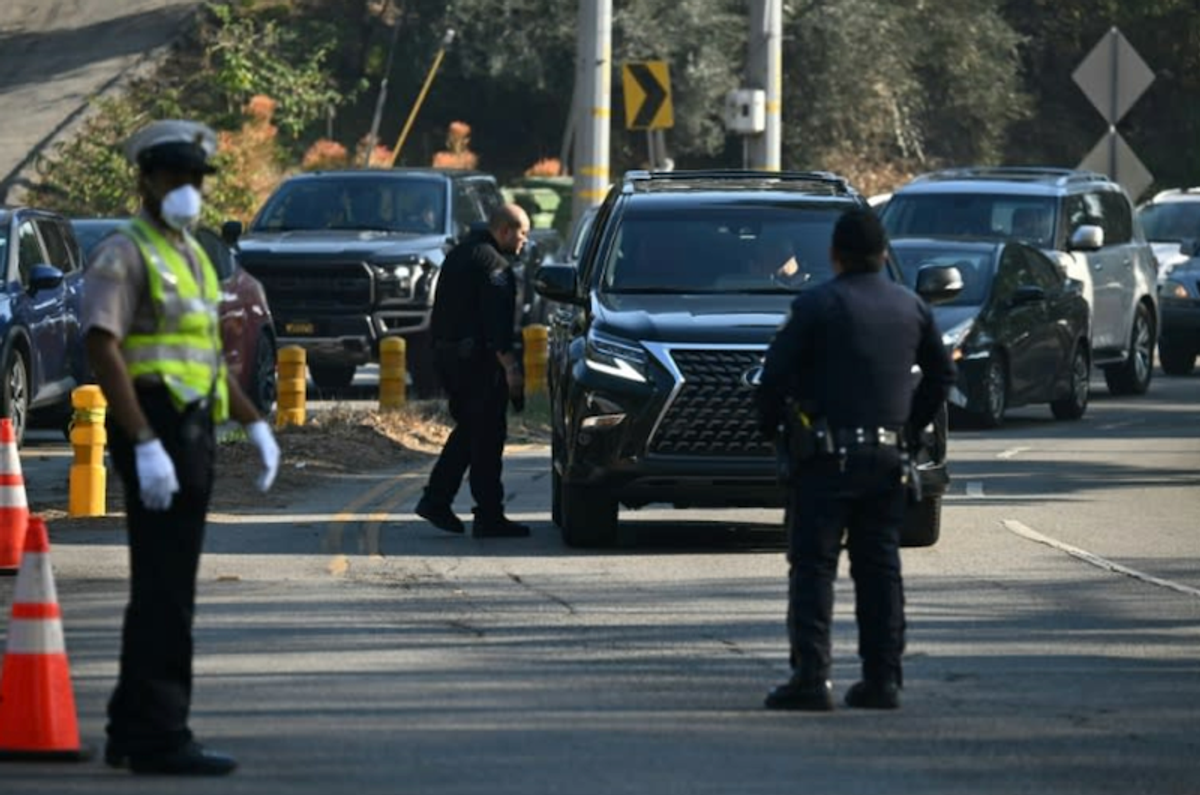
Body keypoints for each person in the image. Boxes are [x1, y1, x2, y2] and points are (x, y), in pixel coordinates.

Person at [83, 119, 281, 774]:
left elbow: (207, 358)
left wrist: (253, 421)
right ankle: (160, 735)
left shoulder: (194, 254)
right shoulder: (125, 250)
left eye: (196, 179)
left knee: (167, 585)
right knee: (165, 588)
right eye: (176, 178)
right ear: (146, 180)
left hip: (192, 429)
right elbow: (102, 345)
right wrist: (141, 441)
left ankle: (128, 724)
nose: (189, 190)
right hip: (154, 427)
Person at [755, 208, 955, 711]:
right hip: (888, 458)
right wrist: (910, 426)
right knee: (879, 568)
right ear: (884, 253)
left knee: (814, 568)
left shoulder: (817, 305)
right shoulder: (911, 307)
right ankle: (883, 678)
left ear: (834, 255)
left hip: (825, 459)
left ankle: (811, 677)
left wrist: (774, 431)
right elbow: (941, 376)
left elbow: (772, 377)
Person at [415, 203, 532, 538]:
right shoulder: (494, 265)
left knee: (472, 432)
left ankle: (453, 504)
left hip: (450, 359)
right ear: (505, 231)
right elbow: (497, 326)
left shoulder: (461, 254)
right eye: (522, 233)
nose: (525, 241)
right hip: (478, 363)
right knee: (487, 436)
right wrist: (511, 369)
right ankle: (472, 511)